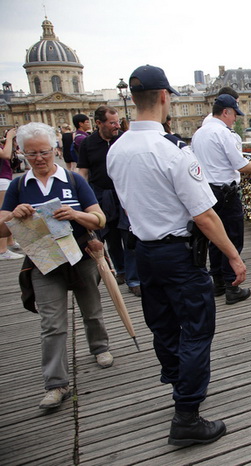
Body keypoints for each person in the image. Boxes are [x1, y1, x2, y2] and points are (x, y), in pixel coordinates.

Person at [107, 64, 247, 446]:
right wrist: (234, 257)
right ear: (166, 97)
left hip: (145, 253)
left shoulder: (116, 150)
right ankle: (187, 415)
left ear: (133, 99)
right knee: (197, 329)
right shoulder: (173, 152)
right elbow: (205, 215)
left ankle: (179, 384)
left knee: (164, 326)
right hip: (179, 256)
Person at [0, 122, 113, 409]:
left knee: (92, 310)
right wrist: (12, 216)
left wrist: (75, 215)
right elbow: (2, 229)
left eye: (44, 152)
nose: (39, 159)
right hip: (44, 261)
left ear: (56, 150)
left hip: (81, 256)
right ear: (23, 154)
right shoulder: (18, 185)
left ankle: (99, 347)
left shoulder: (74, 181)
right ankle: (55, 383)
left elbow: (100, 220)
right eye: (31, 154)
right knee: (52, 323)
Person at [191, 93, 251, 303]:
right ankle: (232, 286)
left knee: (215, 238)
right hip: (226, 192)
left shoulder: (199, 133)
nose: (236, 119)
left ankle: (217, 283)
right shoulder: (223, 133)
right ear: (226, 112)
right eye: (234, 114)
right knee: (232, 237)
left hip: (207, 191)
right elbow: (242, 165)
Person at [78, 106, 140, 296]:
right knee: (110, 236)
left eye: (117, 122)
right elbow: (83, 173)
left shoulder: (123, 139)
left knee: (129, 236)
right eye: (112, 123)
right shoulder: (88, 144)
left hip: (123, 193)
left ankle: (134, 279)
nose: (116, 126)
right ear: (99, 123)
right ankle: (120, 270)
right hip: (101, 195)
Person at [0, 128, 24, 260]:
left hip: (5, 177)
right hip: (1, 179)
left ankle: (10, 242)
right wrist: (9, 137)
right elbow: (6, 155)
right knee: (3, 211)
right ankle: (2, 249)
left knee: (8, 208)